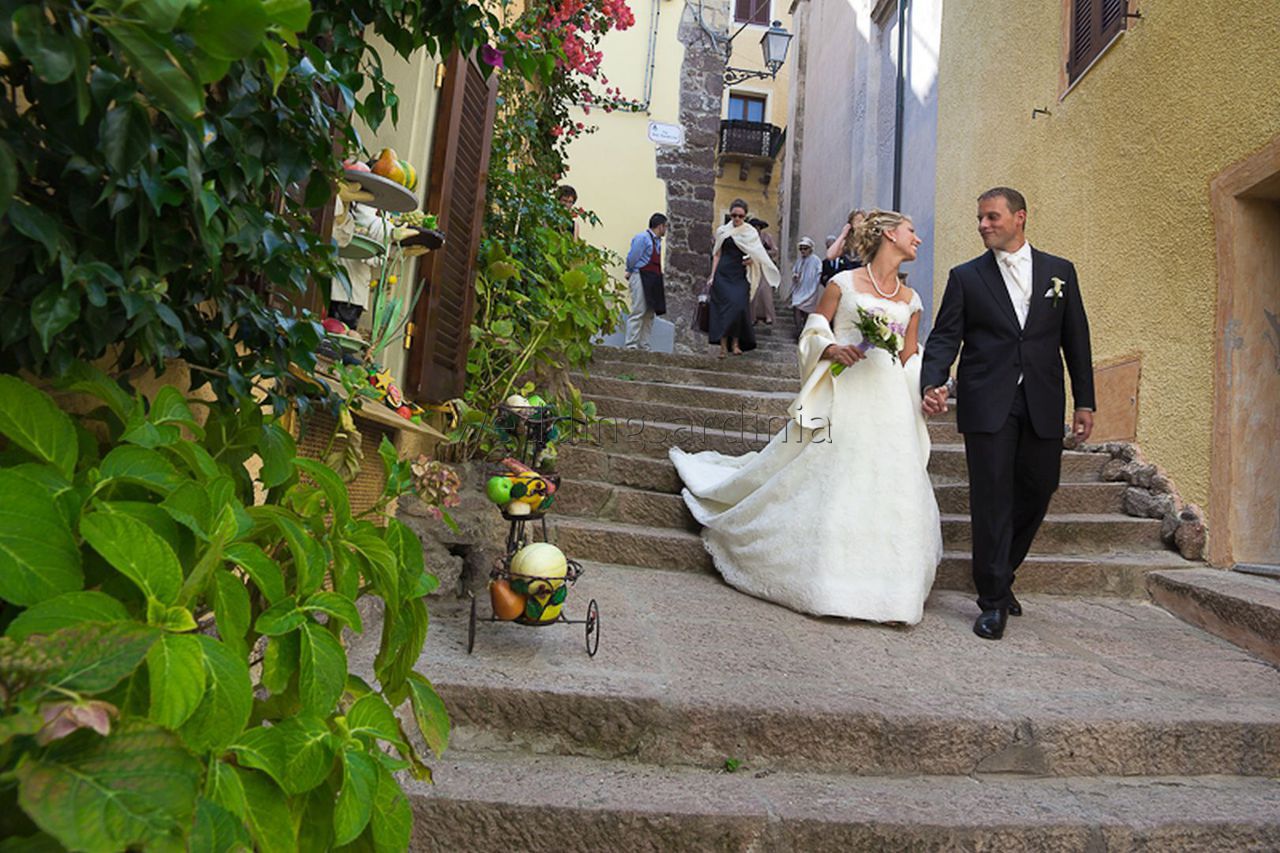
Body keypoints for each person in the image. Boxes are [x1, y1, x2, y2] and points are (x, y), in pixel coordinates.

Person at [672, 210, 941, 624]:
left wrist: (931, 390)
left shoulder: (912, 299)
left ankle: (892, 592)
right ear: (889, 235)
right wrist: (831, 349)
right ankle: (825, 579)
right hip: (848, 391)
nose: (917, 240)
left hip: (889, 401)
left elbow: (909, 357)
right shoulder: (842, 284)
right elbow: (814, 329)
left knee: (894, 484)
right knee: (840, 476)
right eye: (911, 232)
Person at [920, 187, 1095, 641]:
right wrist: (932, 380)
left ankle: (1004, 570)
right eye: (980, 218)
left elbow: (1076, 339)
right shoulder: (966, 277)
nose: (983, 225)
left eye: (992, 217)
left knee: (1040, 486)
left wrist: (1085, 401)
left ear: (1020, 217)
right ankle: (993, 597)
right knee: (991, 498)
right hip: (987, 400)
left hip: (1041, 398)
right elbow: (944, 337)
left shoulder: (1060, 272)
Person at [706, 200, 780, 358]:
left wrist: (751, 260)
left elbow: (757, 253)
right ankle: (723, 346)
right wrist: (712, 275)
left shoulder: (750, 232)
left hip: (740, 274)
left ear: (745, 216)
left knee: (739, 308)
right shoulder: (722, 231)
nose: (737, 218)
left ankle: (736, 343)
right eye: (733, 215)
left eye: (740, 216)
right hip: (723, 273)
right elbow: (717, 254)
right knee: (723, 310)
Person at [623, 213, 669, 350]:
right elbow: (632, 257)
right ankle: (631, 344)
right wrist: (630, 270)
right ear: (660, 226)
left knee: (649, 313)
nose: (666, 229)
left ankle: (644, 344)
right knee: (638, 310)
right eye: (665, 226)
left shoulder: (658, 242)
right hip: (641, 276)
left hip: (653, 279)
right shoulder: (642, 238)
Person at [789, 237, 823, 340]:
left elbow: (819, 273)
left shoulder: (816, 260)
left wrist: (814, 286)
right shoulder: (799, 260)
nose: (803, 251)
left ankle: (805, 331)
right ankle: (799, 329)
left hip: (810, 290)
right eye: (801, 249)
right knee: (796, 307)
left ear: (810, 249)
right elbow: (795, 271)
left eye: (805, 248)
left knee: (806, 311)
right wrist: (795, 276)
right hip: (799, 289)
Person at [821, 208, 865, 285]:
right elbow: (830, 255)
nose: (860, 224)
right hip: (850, 279)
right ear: (851, 224)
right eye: (857, 221)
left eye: (862, 221)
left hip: (864, 279)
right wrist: (843, 234)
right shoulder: (846, 242)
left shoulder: (869, 241)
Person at [749, 217, 779, 326]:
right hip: (753, 267)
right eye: (754, 227)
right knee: (753, 291)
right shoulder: (749, 239)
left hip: (765, 267)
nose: (756, 229)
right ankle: (753, 317)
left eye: (757, 227)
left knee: (765, 291)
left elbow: (775, 251)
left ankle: (768, 316)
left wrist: (764, 251)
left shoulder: (767, 237)